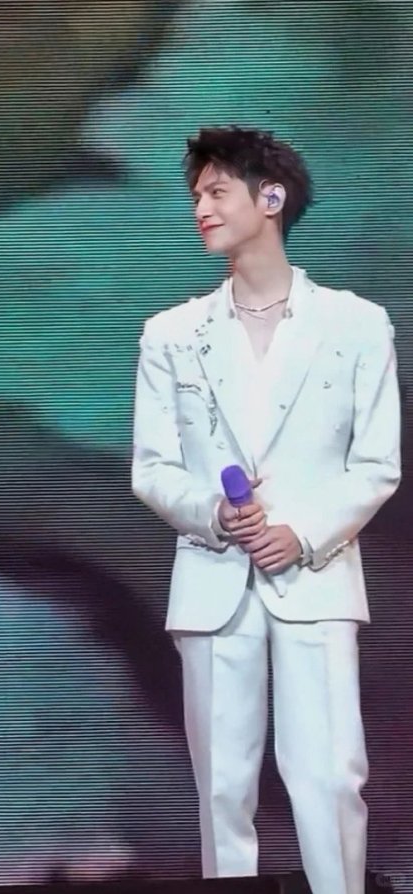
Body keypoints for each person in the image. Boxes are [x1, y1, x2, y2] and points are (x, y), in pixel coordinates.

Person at [131, 126, 400, 894]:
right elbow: (152, 469)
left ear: (271, 197)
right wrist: (215, 514)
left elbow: (377, 464)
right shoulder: (171, 334)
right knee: (223, 790)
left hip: (315, 580)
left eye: (217, 192)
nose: (201, 210)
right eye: (196, 196)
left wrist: (301, 534)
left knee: (330, 777)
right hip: (214, 582)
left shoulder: (356, 325)